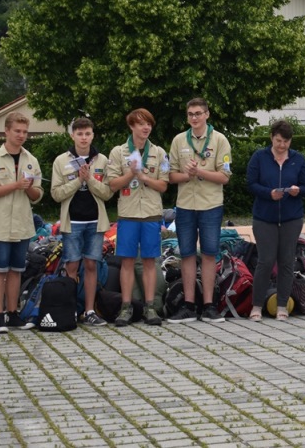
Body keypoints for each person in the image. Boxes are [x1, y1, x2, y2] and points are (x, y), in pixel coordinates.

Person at [0, 112, 44, 334]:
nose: (21, 135)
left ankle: (13, 313)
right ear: (6, 131)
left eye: (25, 132)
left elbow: (38, 195)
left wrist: (29, 188)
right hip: (0, 225)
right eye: (17, 131)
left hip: (22, 225)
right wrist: (14, 185)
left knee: (17, 270)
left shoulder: (31, 160)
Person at [167, 98, 232, 324]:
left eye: (198, 113)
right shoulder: (178, 140)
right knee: (186, 254)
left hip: (210, 205)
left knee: (209, 254)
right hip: (185, 205)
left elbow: (225, 176)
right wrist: (188, 175)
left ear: (207, 114)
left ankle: (209, 306)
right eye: (190, 114)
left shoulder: (220, 140)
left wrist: (200, 172)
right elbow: (170, 176)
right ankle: (188, 305)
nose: (194, 118)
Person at [106, 108, 169, 327]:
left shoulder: (159, 153)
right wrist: (131, 174)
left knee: (150, 261)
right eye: (141, 124)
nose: (146, 128)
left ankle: (150, 307)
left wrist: (143, 177)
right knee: (127, 261)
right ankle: (126, 307)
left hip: (151, 213)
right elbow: (112, 184)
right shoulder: (118, 152)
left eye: (149, 124)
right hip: (128, 213)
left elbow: (163, 185)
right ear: (131, 126)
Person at [50, 117, 114, 327]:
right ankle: (70, 310)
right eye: (79, 134)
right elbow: (56, 194)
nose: (84, 138)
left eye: (87, 134)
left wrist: (89, 180)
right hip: (72, 222)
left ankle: (89, 311)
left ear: (93, 135)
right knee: (72, 265)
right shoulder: (61, 161)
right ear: (72, 136)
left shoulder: (102, 160)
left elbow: (107, 193)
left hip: (95, 222)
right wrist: (78, 180)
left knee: (91, 264)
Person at [247, 120, 305, 321]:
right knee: (265, 261)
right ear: (271, 138)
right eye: (278, 141)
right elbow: (251, 184)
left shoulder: (298, 159)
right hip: (264, 218)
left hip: (292, 218)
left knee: (286, 262)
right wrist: (269, 193)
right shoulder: (259, 157)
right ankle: (256, 306)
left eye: (286, 141)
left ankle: (282, 305)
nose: (282, 145)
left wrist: (298, 190)